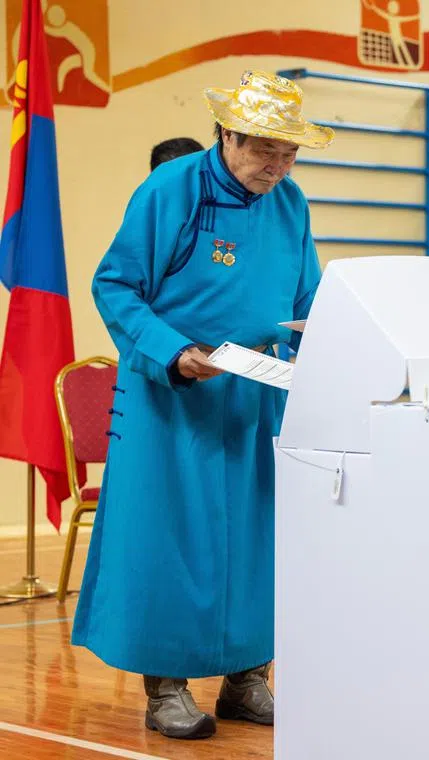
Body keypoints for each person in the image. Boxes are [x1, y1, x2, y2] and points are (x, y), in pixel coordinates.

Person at [71, 70, 334, 740]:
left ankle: (247, 679)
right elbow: (116, 285)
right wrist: (171, 351)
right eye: (264, 150)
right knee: (170, 541)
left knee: (257, 541)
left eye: (289, 153)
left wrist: (324, 350)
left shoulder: (291, 202)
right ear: (228, 135)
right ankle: (166, 689)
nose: (276, 167)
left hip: (255, 402)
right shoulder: (171, 189)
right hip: (175, 398)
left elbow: (307, 301)